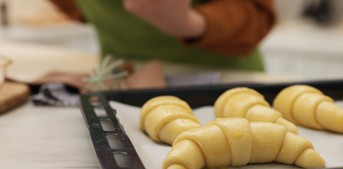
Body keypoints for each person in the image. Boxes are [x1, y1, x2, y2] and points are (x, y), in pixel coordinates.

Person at [49, 0, 276, 71]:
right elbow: (75, 7)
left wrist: (189, 23)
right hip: (117, 83)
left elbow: (258, 14)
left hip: (223, 85)